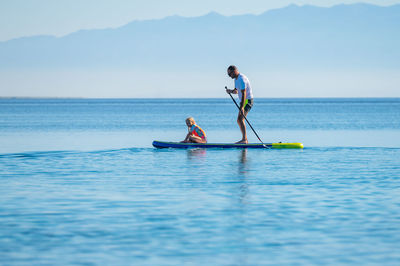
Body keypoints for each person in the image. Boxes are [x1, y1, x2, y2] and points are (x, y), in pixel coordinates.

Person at [225, 65, 254, 144]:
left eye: (229, 74)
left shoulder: (241, 79)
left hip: (247, 101)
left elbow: (244, 93)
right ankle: (244, 139)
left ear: (234, 71)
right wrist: (230, 91)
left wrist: (241, 107)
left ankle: (244, 140)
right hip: (244, 101)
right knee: (239, 120)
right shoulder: (236, 79)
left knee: (240, 119)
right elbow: (236, 91)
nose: (229, 76)